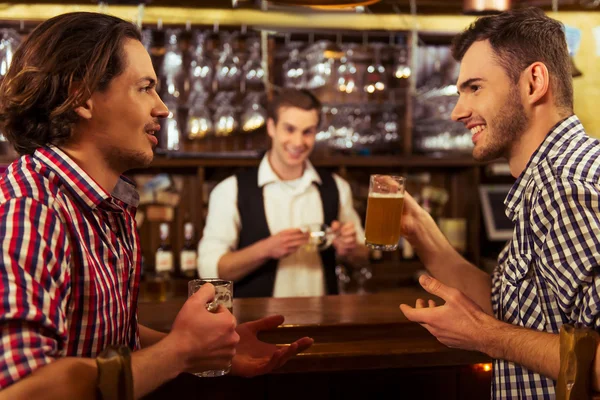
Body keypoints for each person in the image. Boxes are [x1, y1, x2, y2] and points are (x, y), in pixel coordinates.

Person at [0, 12, 312, 399]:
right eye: (145, 87)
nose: (162, 108)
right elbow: (20, 390)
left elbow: (108, 339)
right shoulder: (30, 209)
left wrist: (202, 349)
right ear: (80, 97)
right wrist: (179, 350)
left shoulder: (107, 205)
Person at [398, 7, 600, 399]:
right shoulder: (547, 182)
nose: (458, 112)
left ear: (533, 82)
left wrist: (482, 335)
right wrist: (422, 234)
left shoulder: (569, 188)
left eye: (474, 88)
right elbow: (519, 314)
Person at [198, 88, 368, 298]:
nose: (298, 142)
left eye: (308, 132)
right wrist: (266, 249)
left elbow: (363, 256)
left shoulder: (337, 187)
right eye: (289, 129)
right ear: (271, 127)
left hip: (322, 323)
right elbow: (208, 271)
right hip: (256, 325)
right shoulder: (229, 190)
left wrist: (350, 248)